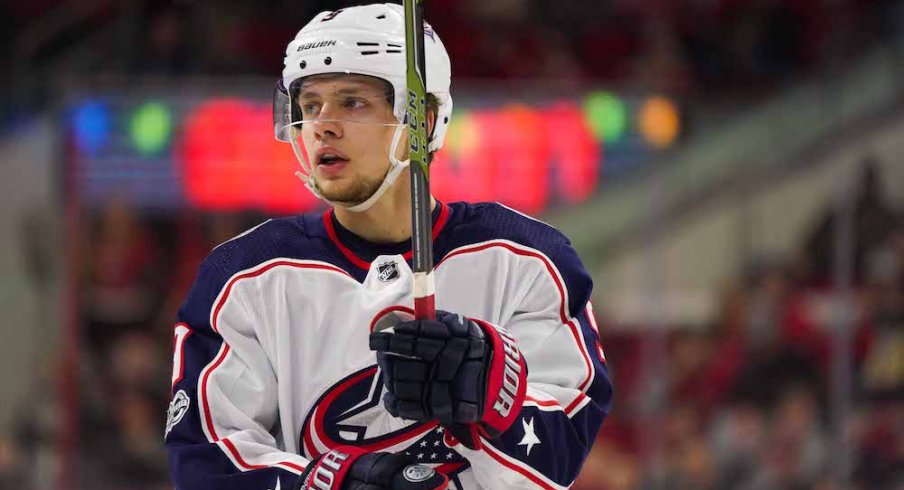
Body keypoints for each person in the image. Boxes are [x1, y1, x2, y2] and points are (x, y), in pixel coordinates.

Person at [164, 4, 612, 489]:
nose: (322, 125)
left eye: (352, 102)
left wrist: (494, 391)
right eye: (310, 105)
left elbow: (563, 450)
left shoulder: (526, 259)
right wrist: (332, 484)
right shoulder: (243, 277)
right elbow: (206, 456)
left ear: (423, 118)